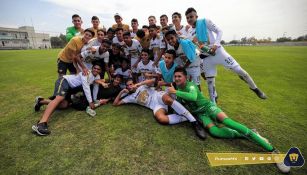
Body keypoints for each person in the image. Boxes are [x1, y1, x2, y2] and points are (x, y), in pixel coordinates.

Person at [168, 67, 290, 173]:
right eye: (175, 76)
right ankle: (249, 133)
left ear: (186, 77)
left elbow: (193, 97)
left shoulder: (191, 85)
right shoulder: (177, 91)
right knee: (215, 132)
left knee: (227, 122)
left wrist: (175, 92)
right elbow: (180, 105)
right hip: (202, 115)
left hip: (209, 107)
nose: (177, 78)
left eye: (179, 76)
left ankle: (274, 152)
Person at [185, 7, 267, 103]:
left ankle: (255, 89)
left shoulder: (204, 21)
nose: (189, 19)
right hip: (206, 57)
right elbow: (194, 46)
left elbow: (219, 31)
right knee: (210, 84)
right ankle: (214, 107)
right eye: (187, 18)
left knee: (240, 71)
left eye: (191, 17)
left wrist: (216, 44)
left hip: (218, 52)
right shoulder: (189, 31)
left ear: (196, 16)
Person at [113, 78, 206, 139]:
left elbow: (153, 81)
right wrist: (121, 92)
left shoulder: (142, 86)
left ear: (134, 83)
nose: (129, 86)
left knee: (167, 99)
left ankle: (194, 122)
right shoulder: (130, 97)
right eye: (127, 86)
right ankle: (188, 116)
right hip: (155, 106)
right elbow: (115, 104)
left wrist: (138, 84)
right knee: (161, 119)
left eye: (131, 84)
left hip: (158, 96)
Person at [32, 64, 102, 136]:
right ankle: (41, 124)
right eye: (95, 68)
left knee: (64, 105)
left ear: (100, 71)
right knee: (59, 98)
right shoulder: (87, 73)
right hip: (64, 81)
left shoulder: (97, 77)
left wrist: (94, 99)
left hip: (70, 89)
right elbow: (86, 87)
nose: (96, 70)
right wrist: (90, 102)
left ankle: (41, 101)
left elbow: (96, 88)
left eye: (98, 69)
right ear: (92, 68)